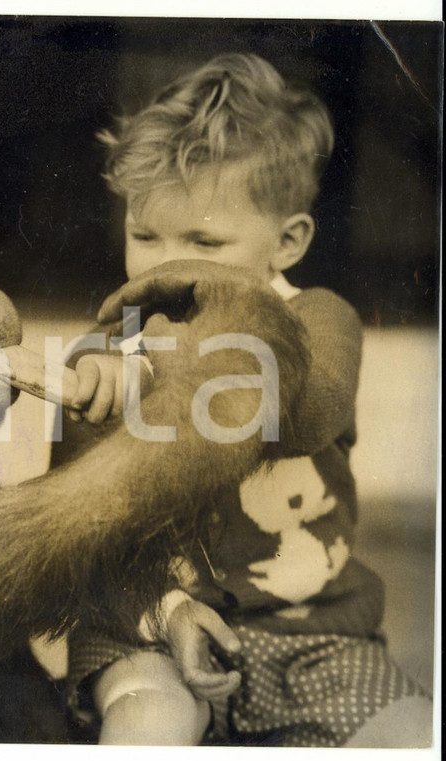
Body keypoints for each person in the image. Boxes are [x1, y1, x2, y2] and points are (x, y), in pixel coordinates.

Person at [62, 53, 431, 747]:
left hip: (312, 628)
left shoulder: (321, 321)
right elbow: (77, 525)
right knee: (147, 716)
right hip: (151, 624)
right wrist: (96, 393)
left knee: (410, 733)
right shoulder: (108, 349)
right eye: (145, 235)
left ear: (287, 242)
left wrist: (164, 376)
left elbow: (307, 414)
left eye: (204, 240)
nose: (167, 264)